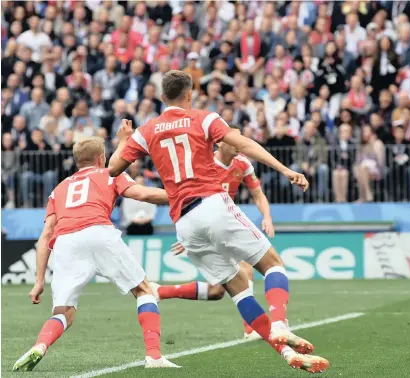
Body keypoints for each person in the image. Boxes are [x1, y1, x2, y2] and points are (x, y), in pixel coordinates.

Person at [108, 70, 328, 373]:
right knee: (272, 264)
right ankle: (279, 323)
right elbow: (245, 144)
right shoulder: (204, 118)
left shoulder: (147, 130)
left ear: (161, 98)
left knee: (238, 289)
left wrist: (123, 142)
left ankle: (287, 354)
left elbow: (112, 169)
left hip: (183, 223)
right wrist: (284, 169)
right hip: (212, 203)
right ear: (189, 95)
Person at [12, 137, 179, 371]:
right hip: (98, 232)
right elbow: (142, 194)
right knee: (143, 290)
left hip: (66, 242)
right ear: (101, 158)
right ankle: (153, 356)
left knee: (64, 312)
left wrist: (39, 281)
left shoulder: (59, 189)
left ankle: (40, 345)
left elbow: (45, 235)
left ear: (77, 161)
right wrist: (181, 196)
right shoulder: (109, 173)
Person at [152, 124, 275, 340]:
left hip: (224, 222)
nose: (238, 143)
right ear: (219, 142)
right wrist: (189, 232)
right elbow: (183, 196)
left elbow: (257, 194)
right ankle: (251, 329)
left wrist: (267, 217)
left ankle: (159, 292)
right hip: (205, 224)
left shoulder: (242, 163)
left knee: (217, 291)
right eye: (233, 139)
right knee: (245, 270)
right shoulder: (204, 165)